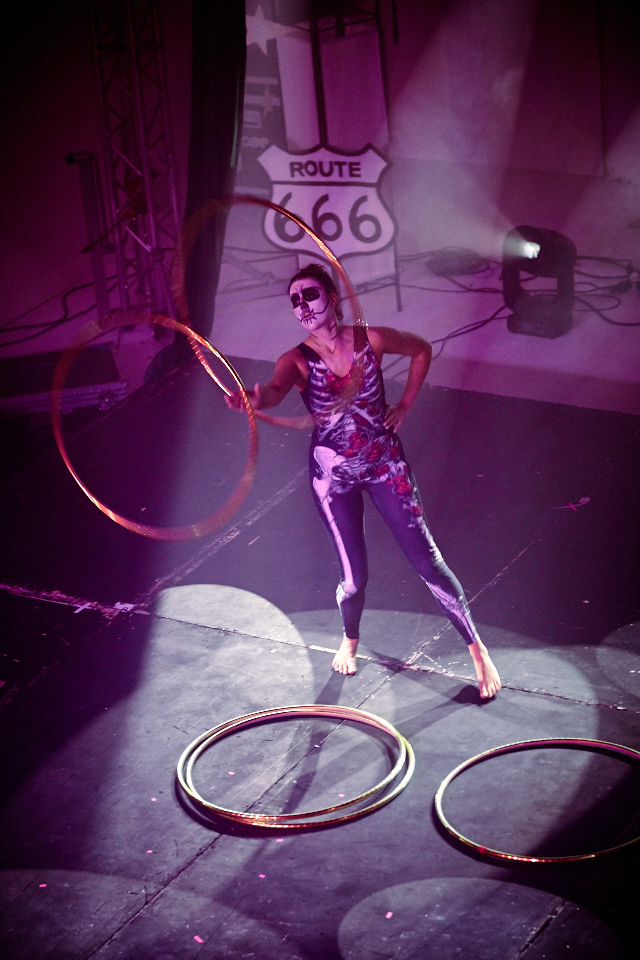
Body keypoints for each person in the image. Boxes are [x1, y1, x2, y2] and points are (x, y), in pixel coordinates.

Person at [226, 263, 501, 698]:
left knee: (427, 560)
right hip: (333, 478)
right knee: (354, 579)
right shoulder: (295, 360)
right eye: (294, 301)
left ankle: (477, 649)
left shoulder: (372, 340)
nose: (303, 306)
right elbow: (276, 389)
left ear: (333, 298)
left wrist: (406, 404)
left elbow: (422, 349)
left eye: (310, 295)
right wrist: (256, 398)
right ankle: (350, 639)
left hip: (384, 465)